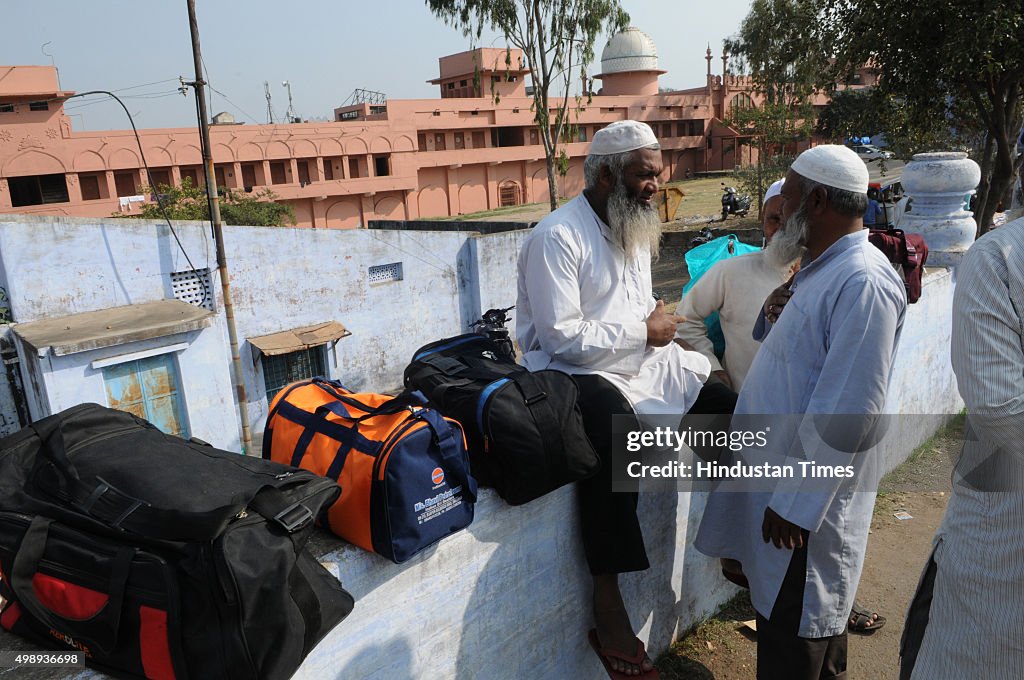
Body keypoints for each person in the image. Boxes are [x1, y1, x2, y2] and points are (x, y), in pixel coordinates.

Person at [516, 120, 736, 679]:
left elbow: (640, 309)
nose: (654, 187)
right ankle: (608, 603)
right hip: (569, 370)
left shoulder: (631, 225)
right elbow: (561, 336)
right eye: (644, 176)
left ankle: (734, 534)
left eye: (656, 176)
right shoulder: (556, 237)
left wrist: (651, 328)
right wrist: (644, 332)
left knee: (720, 399)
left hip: (639, 359)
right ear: (607, 174)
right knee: (612, 436)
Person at [694, 144, 907, 680]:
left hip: (806, 513)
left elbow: (851, 406)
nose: (777, 205)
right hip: (780, 488)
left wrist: (795, 503)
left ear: (814, 200)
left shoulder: (862, 280)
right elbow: (796, 357)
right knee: (786, 636)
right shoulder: (820, 268)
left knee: (801, 644)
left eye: (786, 193)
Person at [899, 218, 1024, 679]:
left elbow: (1001, 408)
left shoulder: (998, 256)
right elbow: (1002, 407)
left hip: (1004, 542)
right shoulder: (1001, 258)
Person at [676, 179, 797, 391]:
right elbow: (684, 321)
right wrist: (712, 368)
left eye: (791, 220)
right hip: (743, 407)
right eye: (774, 219)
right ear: (762, 219)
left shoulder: (825, 276)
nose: (782, 228)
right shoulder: (730, 271)